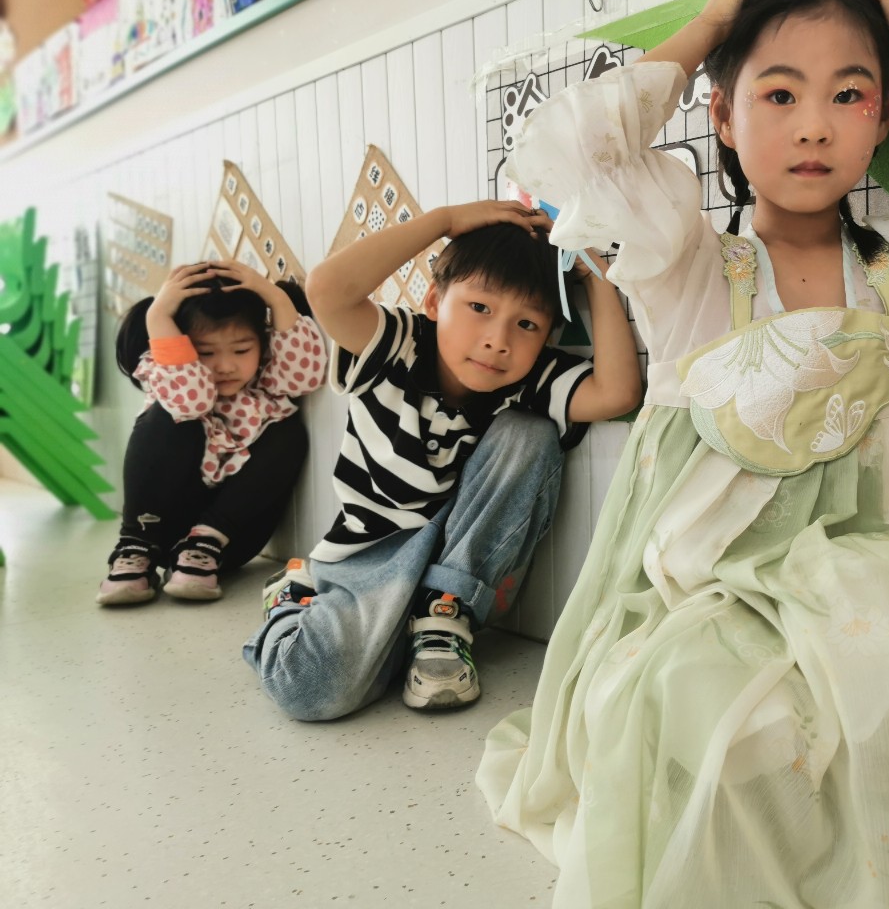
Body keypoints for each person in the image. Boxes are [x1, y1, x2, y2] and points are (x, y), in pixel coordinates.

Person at [476, 0, 889, 906]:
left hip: (876, 543)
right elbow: (579, 148)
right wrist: (715, 24)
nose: (815, 127)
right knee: (695, 697)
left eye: (850, 95)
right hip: (711, 561)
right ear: (723, 115)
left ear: (886, 114)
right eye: (780, 95)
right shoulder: (689, 261)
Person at [242, 200, 641, 718]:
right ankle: (292, 598)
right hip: (372, 557)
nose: (498, 341)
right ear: (434, 301)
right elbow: (326, 290)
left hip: (456, 568)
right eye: (479, 308)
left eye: (526, 324)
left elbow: (616, 394)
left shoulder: (528, 380)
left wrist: (595, 276)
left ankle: (441, 619)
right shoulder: (398, 345)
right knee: (310, 689)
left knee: (531, 432)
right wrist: (445, 222)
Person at [97, 261, 326, 606]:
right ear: (182, 345)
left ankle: (204, 543)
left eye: (241, 350)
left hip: (229, 541)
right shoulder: (171, 381)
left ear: (262, 341)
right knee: (170, 416)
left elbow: (305, 377)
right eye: (205, 352)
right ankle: (134, 545)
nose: (225, 366)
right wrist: (159, 315)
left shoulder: (267, 387)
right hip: (157, 529)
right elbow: (193, 400)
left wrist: (273, 296)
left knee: (288, 430)